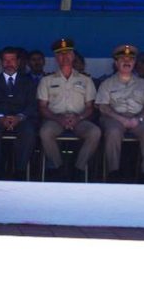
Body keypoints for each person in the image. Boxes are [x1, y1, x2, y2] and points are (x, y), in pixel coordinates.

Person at [37, 38, 99, 181]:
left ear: (73, 56)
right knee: (45, 132)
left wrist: (79, 118)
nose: (64, 57)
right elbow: (42, 107)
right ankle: (59, 169)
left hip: (79, 118)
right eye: (60, 54)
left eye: (67, 54)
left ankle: (78, 169)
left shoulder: (86, 80)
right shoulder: (46, 80)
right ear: (55, 58)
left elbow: (90, 107)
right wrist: (58, 118)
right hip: (55, 118)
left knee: (94, 132)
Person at [95, 44, 144, 183]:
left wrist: (139, 119)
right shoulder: (107, 83)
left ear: (134, 63)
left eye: (130, 59)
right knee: (113, 132)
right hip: (114, 118)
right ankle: (113, 172)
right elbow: (103, 107)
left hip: (138, 118)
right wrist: (121, 119)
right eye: (123, 59)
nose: (127, 62)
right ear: (116, 63)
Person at [0, 46, 38, 180]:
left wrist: (19, 117)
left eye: (12, 60)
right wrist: (0, 117)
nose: (9, 64)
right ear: (1, 62)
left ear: (18, 62)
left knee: (29, 132)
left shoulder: (28, 81)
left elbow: (32, 105)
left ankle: (20, 170)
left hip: (21, 119)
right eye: (6, 60)